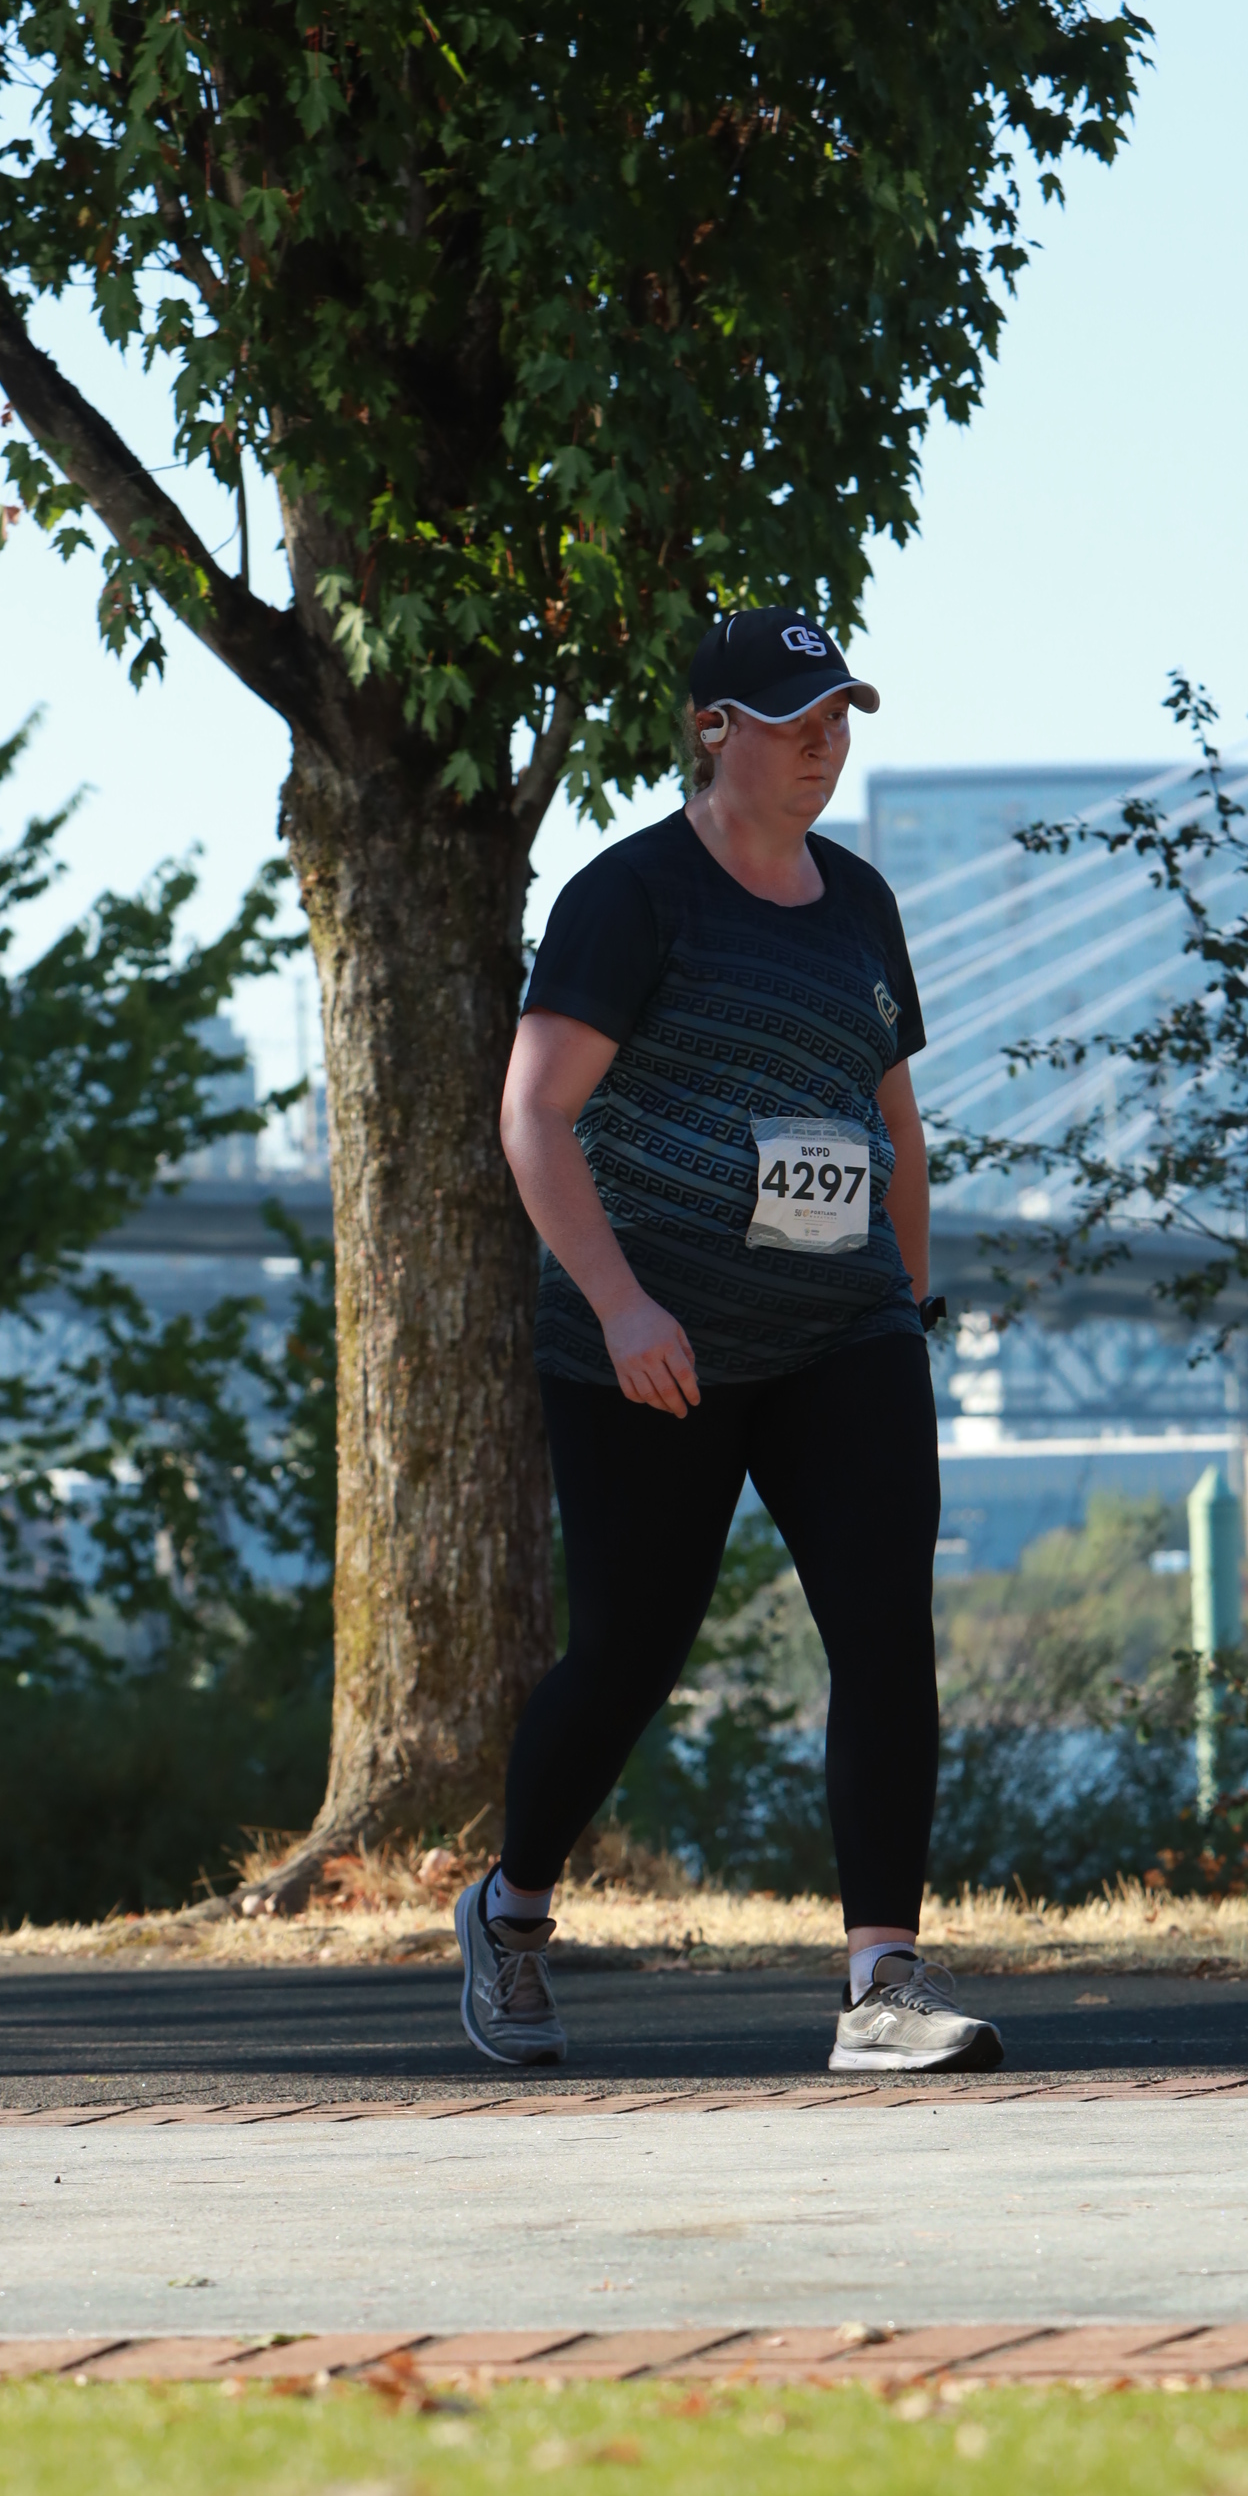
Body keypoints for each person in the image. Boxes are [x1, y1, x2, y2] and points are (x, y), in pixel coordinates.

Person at [454, 608, 999, 2077]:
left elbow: (891, 1125)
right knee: (628, 1652)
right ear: (711, 730)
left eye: (838, 718)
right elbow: (533, 1114)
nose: (824, 744)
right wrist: (621, 1304)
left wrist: (907, 1304)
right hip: (653, 1347)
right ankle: (511, 1912)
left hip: (841, 1333)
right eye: (793, 720)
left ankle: (881, 1984)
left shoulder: (860, 902)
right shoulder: (630, 896)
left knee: (883, 1631)